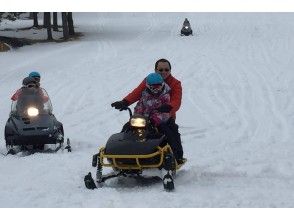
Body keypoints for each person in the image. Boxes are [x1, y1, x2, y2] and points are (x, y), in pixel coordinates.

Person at [111, 58, 185, 164]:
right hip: (144, 118)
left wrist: (169, 106)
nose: (164, 72)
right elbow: (137, 93)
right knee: (127, 128)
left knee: (171, 132)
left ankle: (177, 156)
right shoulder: (149, 80)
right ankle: (122, 155)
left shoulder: (175, 84)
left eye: (166, 70)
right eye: (161, 70)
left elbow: (176, 100)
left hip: (165, 117)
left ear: (170, 70)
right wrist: (125, 102)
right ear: (155, 70)